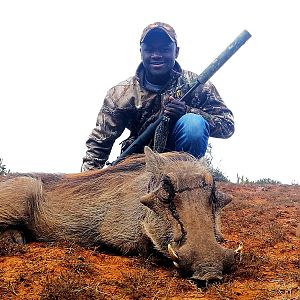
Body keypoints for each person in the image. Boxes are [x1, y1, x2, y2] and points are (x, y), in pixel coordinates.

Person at [81, 22, 234, 171]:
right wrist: (86, 183)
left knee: (193, 124)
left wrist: (187, 111)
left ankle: (186, 184)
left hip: (180, 166)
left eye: (164, 49)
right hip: (137, 163)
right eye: (150, 49)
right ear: (141, 51)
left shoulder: (197, 85)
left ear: (177, 51)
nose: (156, 55)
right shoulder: (120, 94)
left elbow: (227, 126)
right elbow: (99, 143)